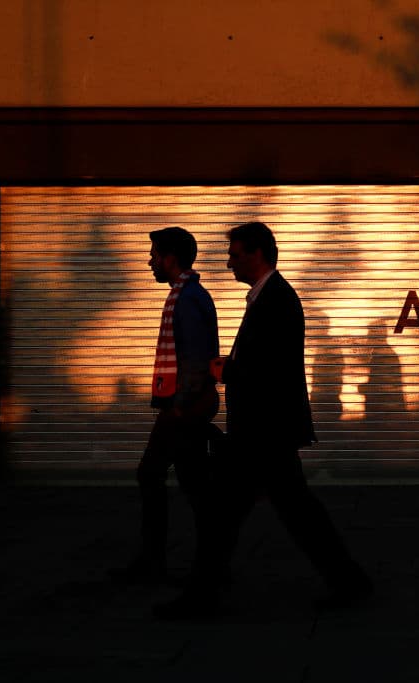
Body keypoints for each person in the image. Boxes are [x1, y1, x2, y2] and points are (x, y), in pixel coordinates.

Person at [153, 221, 371, 619]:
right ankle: (349, 581)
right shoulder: (268, 296)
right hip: (267, 431)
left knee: (234, 513)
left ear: (257, 254)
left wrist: (226, 372)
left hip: (264, 431)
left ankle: (201, 596)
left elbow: (272, 368)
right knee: (283, 510)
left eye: (235, 254)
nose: (229, 262)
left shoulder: (277, 300)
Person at [110, 227, 219, 584]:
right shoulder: (188, 294)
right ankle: (213, 561)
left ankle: (153, 562)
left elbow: (194, 357)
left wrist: (180, 405)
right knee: (196, 484)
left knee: (150, 473)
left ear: (171, 258)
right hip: (187, 405)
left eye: (155, 255)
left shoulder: (187, 299)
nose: (150, 261)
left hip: (182, 407)